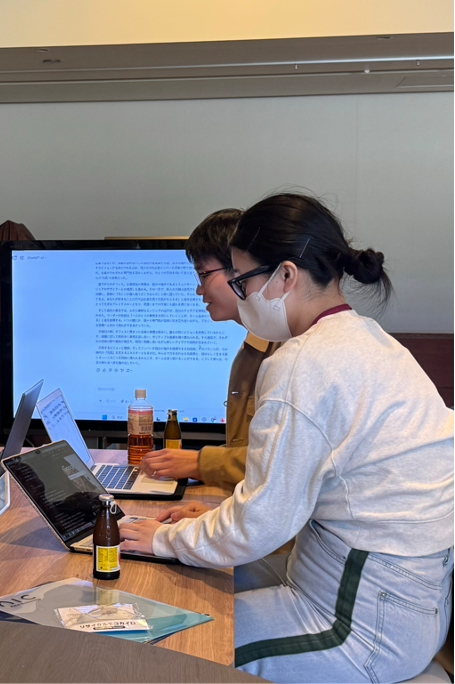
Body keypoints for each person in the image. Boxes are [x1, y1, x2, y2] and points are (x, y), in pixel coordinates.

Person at [120, 193, 454, 683]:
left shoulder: (302, 363)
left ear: (285, 276)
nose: (239, 294)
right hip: (402, 598)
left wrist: (166, 538)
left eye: (241, 280)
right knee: (189, 580)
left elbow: (260, 523)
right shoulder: (370, 339)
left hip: (364, 622)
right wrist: (202, 528)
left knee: (174, 642)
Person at [139, 209, 281, 505]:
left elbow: (280, 466)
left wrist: (199, 463)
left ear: (241, 269)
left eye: (204, 274)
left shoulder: (288, 352)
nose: (198, 289)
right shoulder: (253, 347)